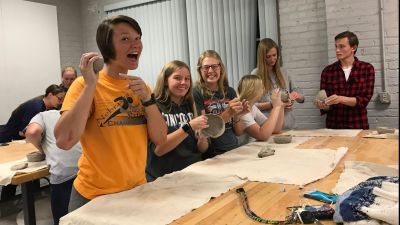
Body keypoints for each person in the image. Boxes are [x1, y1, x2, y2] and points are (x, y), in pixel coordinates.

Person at [54, 15, 167, 211]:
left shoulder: (141, 87)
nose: (136, 45)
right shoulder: (83, 85)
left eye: (138, 38)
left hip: (136, 191)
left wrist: (149, 99)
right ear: (107, 47)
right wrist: (91, 85)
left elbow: (160, 138)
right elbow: (65, 140)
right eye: (125, 39)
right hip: (94, 197)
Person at [146, 60, 209, 181]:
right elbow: (159, 150)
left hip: (193, 171)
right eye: (177, 78)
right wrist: (188, 127)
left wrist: (203, 137)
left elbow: (202, 149)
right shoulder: (154, 107)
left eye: (187, 79)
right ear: (165, 81)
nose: (183, 83)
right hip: (164, 177)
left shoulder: (192, 104)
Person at [25, 110, 81, 225]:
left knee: (65, 219)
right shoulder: (79, 111)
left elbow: (32, 132)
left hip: (64, 172)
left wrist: (41, 148)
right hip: (87, 167)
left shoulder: (43, 115)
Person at [193, 50, 249, 158]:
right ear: (200, 70)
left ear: (220, 68)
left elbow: (238, 132)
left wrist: (239, 114)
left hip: (233, 149)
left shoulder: (230, 91)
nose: (210, 70)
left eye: (214, 66)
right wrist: (228, 112)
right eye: (206, 67)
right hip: (213, 155)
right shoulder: (196, 93)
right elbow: (205, 130)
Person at [314, 31, 375, 129]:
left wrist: (340, 99)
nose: (337, 50)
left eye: (342, 46)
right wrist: (322, 105)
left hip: (357, 125)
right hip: (333, 126)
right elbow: (326, 102)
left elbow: (364, 100)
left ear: (353, 48)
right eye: (336, 46)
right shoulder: (327, 71)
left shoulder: (366, 69)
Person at [251, 38, 304, 130]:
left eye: (274, 55)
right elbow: (251, 106)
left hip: (289, 125)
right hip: (267, 127)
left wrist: (296, 96)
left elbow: (302, 98)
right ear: (262, 57)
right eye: (268, 56)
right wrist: (274, 104)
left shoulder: (285, 72)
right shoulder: (255, 75)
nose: (272, 59)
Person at [0, 84, 65, 144]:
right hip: (9, 140)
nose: (61, 102)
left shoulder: (52, 107)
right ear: (50, 95)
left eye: (63, 100)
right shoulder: (35, 107)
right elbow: (22, 132)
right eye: (59, 99)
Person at [236, 75, 284, 145]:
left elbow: (276, 129)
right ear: (253, 90)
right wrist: (276, 107)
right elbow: (263, 135)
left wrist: (281, 105)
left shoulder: (252, 107)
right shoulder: (241, 108)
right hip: (239, 151)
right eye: (261, 87)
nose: (263, 89)